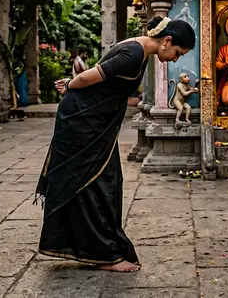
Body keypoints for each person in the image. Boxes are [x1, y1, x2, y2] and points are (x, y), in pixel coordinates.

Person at [35, 16, 196, 272]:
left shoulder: (139, 50)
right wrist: (69, 84)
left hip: (92, 120)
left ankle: (100, 248)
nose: (176, 59)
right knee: (95, 184)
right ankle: (104, 255)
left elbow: (111, 89)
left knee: (105, 182)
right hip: (82, 120)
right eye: (178, 53)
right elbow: (91, 76)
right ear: (167, 41)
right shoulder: (134, 52)